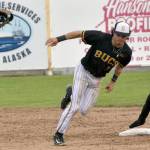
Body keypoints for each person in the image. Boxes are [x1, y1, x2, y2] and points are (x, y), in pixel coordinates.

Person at [46, 21, 132, 145]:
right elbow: (78, 33)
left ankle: (70, 93)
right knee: (74, 107)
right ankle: (59, 134)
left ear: (127, 37)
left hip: (97, 79)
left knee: (84, 110)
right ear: (113, 32)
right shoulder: (100, 37)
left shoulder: (127, 52)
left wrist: (113, 82)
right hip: (83, 71)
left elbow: (119, 67)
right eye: (118, 34)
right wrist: (58, 39)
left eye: (124, 36)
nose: (121, 38)